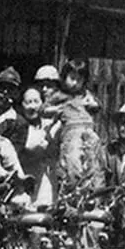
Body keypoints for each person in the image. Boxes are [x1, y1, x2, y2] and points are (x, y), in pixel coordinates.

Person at [42, 58, 101, 198]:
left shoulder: (86, 94)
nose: (75, 83)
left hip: (89, 131)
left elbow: (97, 107)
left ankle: (90, 194)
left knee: (93, 164)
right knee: (72, 163)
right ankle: (71, 193)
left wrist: (93, 104)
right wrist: (57, 110)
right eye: (72, 78)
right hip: (72, 132)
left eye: (79, 80)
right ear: (64, 78)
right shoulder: (60, 95)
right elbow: (44, 109)